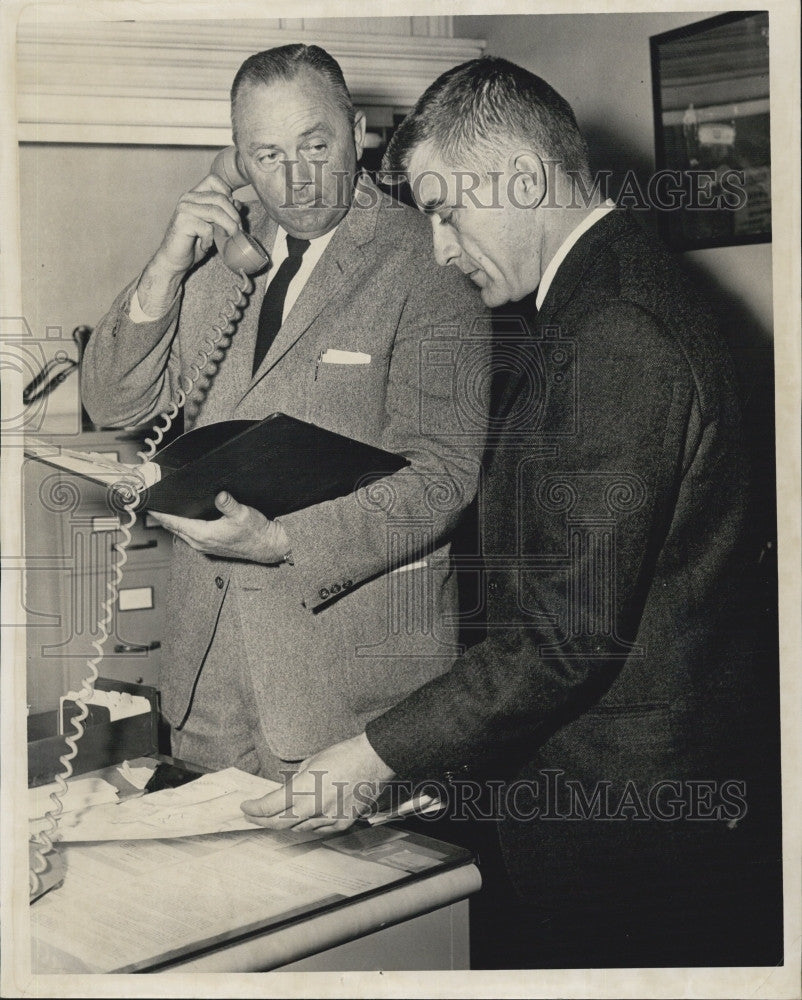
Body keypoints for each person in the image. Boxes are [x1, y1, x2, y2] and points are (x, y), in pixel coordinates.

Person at [241, 57, 783, 969]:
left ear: (524, 177)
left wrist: (374, 756)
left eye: (447, 212)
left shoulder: (615, 331)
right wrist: (443, 768)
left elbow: (564, 637)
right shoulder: (602, 299)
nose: (442, 249)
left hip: (625, 833)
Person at [81, 45, 488, 781]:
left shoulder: (428, 259)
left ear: (359, 133)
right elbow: (113, 401)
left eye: (316, 145)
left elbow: (444, 479)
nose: (295, 179)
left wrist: (281, 542)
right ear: (236, 157)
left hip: (349, 701)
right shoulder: (213, 256)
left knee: (358, 898)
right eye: (265, 154)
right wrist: (168, 266)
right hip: (208, 688)